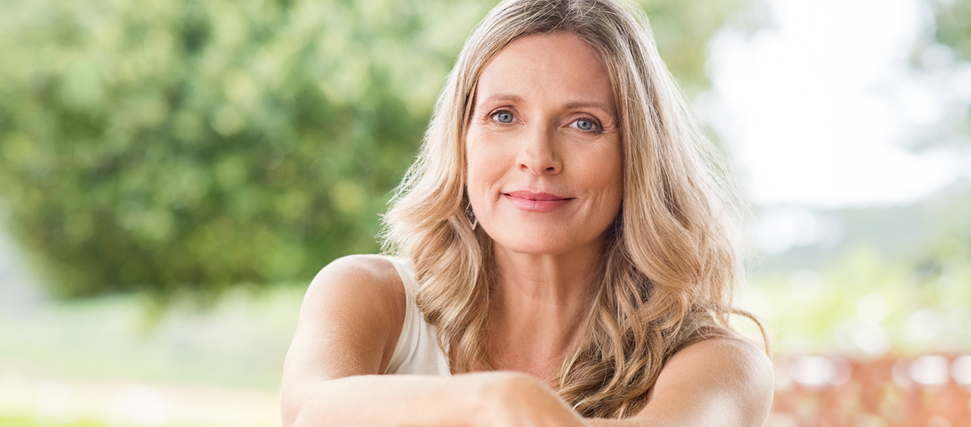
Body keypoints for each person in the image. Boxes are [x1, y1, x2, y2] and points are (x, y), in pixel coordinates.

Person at [280, 0, 774, 425]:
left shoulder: (719, 363)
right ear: (462, 140)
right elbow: (306, 412)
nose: (537, 156)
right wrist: (498, 399)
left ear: (639, 156)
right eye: (503, 116)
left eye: (584, 123)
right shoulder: (371, 296)